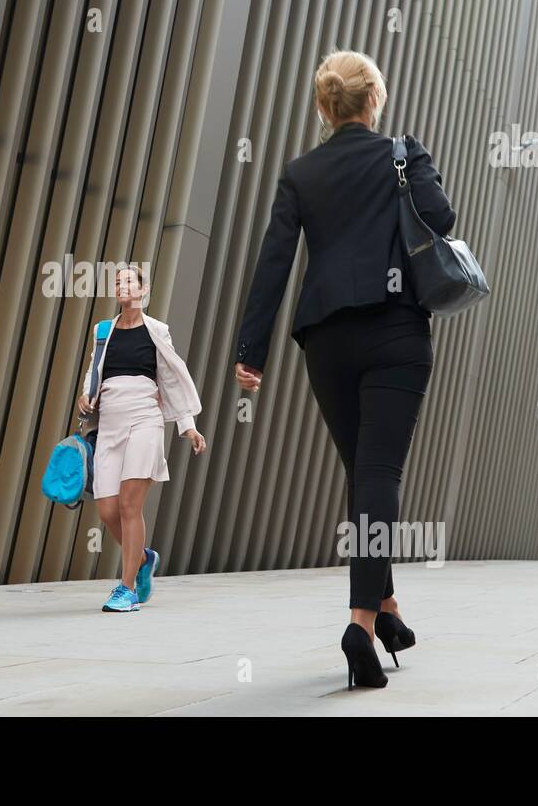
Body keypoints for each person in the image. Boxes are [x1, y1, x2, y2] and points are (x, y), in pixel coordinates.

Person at [233, 49, 456, 689]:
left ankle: (387, 610)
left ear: (326, 106)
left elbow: (274, 263)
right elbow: (441, 220)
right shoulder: (401, 155)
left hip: (326, 338)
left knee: (363, 476)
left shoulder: (301, 172)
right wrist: (421, 159)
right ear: (373, 99)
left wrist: (252, 352)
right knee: (379, 474)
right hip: (394, 330)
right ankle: (360, 623)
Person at [77, 264, 206, 612]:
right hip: (110, 424)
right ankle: (144, 558)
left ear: (144, 290)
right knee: (107, 510)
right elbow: (94, 370)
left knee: (129, 505)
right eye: (117, 282)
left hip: (145, 419)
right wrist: (85, 395)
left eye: (128, 281)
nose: (121, 286)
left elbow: (172, 377)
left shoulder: (156, 330)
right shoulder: (103, 330)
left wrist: (187, 425)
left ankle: (127, 588)